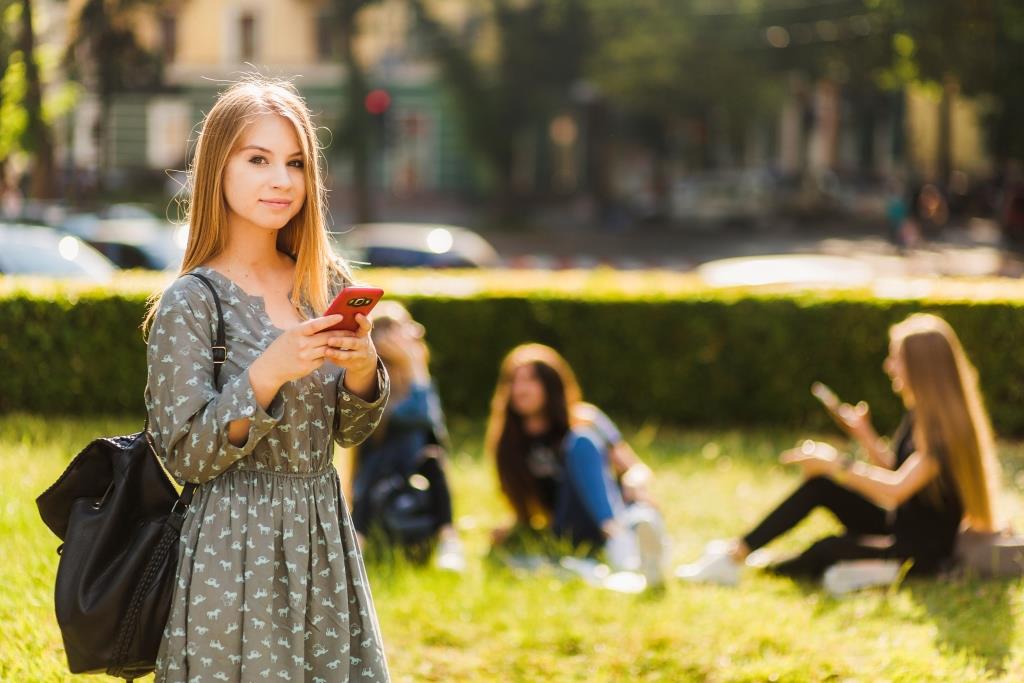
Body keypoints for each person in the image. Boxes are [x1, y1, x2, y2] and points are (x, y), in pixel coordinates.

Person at [144, 78, 391, 682]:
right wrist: (267, 373)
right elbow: (185, 456)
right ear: (216, 170)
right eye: (258, 160)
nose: (282, 180)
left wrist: (362, 372)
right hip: (231, 546)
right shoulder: (192, 302)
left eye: (295, 163)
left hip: (321, 535)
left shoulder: (323, 281)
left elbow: (348, 431)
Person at [677, 314, 1002, 591]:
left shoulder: (944, 432)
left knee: (828, 548)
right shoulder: (921, 415)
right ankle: (738, 552)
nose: (889, 367)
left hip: (919, 551)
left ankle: (762, 567)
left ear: (920, 368)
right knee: (823, 488)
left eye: (896, 359)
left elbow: (895, 490)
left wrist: (836, 463)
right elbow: (897, 471)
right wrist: (864, 435)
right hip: (899, 527)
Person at [486, 343, 668, 586]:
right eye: (514, 381)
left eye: (530, 380)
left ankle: (637, 547)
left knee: (584, 444)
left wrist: (635, 481)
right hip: (572, 524)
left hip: (613, 506)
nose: (520, 389)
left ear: (550, 385)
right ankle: (624, 545)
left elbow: (635, 468)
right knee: (627, 523)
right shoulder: (509, 442)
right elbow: (526, 506)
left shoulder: (585, 418)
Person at [349, 301, 465, 571]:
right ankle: (356, 546)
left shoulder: (417, 378)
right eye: (405, 327)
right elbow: (408, 415)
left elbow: (435, 429)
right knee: (381, 458)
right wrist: (414, 365)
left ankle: (449, 541)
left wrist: (415, 368)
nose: (416, 333)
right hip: (382, 481)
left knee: (434, 459)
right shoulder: (374, 377)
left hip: (418, 478)